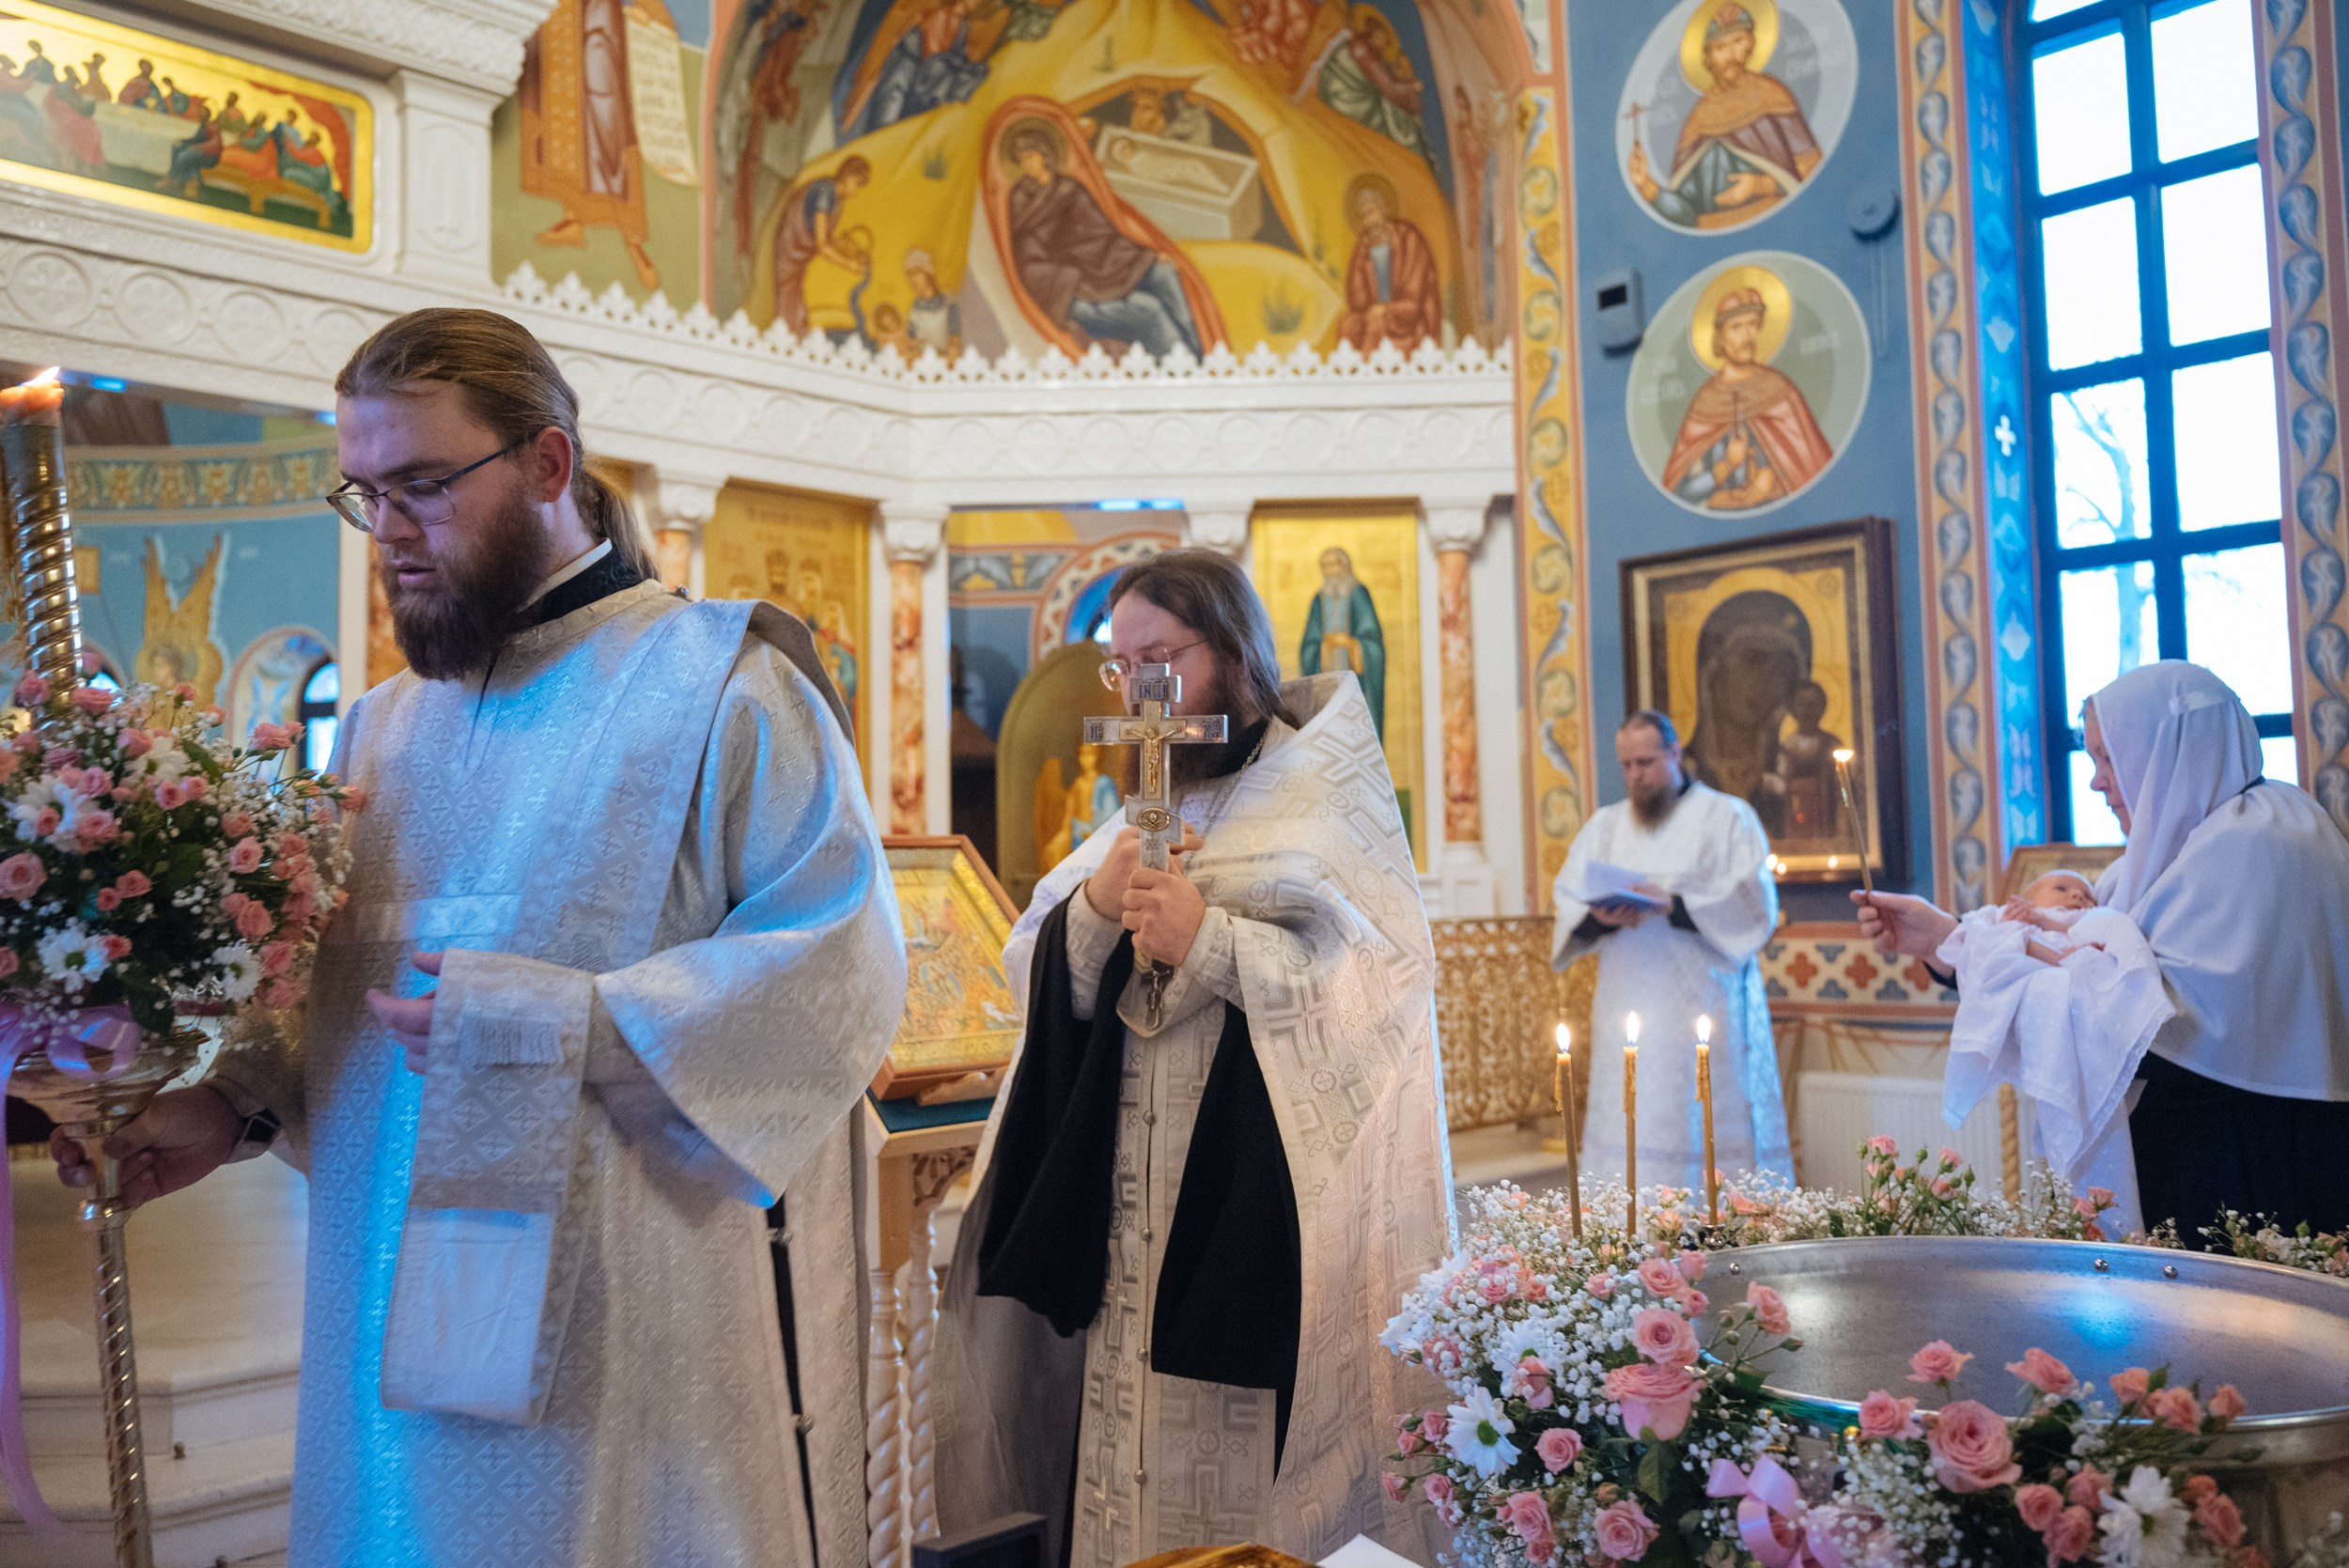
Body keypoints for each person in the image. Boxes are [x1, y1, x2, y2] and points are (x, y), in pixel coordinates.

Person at [51, 308, 907, 1566]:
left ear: (547, 463)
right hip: (378, 1324)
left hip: (623, 1341)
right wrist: (229, 1107)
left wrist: (564, 1022)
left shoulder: (725, 682)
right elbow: (333, 997)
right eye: (366, 493)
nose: (390, 530)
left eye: (422, 485)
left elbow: (837, 962)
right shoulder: (380, 728)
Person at [936, 549, 1450, 1568]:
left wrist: (1207, 941)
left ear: (1232, 652)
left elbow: (1374, 988)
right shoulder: (1145, 809)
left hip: (1248, 1216)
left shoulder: (1320, 797)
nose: (1141, 690)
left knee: (1237, 1484)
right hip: (1128, 1210)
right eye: (1122, 665)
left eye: (1161, 659)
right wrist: (1094, 910)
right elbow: (1028, 962)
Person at [1857, 660, 2349, 1236]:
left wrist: (1959, 944)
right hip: (2204, 1155)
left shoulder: (2257, 842)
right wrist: (1945, 941)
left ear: (2168, 749)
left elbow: (2150, 1024)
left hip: (2250, 1163)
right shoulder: (2181, 847)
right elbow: (2081, 959)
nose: (2096, 782)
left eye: (2109, 757)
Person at [1551, 710, 1791, 1191]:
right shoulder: (1604, 827)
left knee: (1698, 1115)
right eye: (1627, 765)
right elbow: (1570, 901)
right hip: (1626, 997)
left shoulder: (1727, 818)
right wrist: (1600, 919)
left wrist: (1675, 904)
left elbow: (1754, 906)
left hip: (1702, 1002)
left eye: (1646, 762)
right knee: (1632, 1113)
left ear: (1675, 752)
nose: (1636, 775)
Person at [1934, 871, 2170, 1238]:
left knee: (2101, 1142)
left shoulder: (2088, 923)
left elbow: (2100, 953)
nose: (2077, 897)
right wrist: (2049, 947)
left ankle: (2107, 1226)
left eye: (2087, 895)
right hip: (2046, 1013)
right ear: (2025, 900)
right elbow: (2002, 949)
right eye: (2061, 888)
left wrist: (2069, 942)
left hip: (2087, 1032)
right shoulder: (2015, 921)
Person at [1003, 124, 1204, 359]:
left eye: (1030, 156)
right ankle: (1181, 365)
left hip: (1096, 271)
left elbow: (1102, 233)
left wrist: (1145, 255)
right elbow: (1028, 262)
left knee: (1163, 272)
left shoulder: (1070, 189)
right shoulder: (1021, 203)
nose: (1026, 164)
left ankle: (1200, 353)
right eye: (1021, 160)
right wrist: (1070, 278)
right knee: (1148, 309)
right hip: (1066, 291)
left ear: (1044, 155)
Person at [1628, 1, 1822, 230]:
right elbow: (1685, 212)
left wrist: (1760, 185)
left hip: (1781, 223)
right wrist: (1645, 184)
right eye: (1720, 47)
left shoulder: (1772, 95)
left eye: (1738, 42)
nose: (1731, 54)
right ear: (1707, 60)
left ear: (1751, 44)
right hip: (1711, 234)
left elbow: (1813, 173)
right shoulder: (1699, 119)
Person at [1661, 285, 1836, 510]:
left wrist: (1773, 476)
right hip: (1720, 522)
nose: (1747, 336)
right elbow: (1681, 492)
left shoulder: (1779, 389)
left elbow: (1811, 467)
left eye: (1753, 324)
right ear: (1720, 337)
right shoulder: (1706, 401)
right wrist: (1727, 465)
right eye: (1736, 327)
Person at [1336, 176, 1441, 354]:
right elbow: (1357, 301)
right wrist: (1362, 257)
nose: (1369, 221)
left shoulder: (1409, 239)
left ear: (1384, 209)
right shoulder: (1364, 247)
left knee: (1376, 324)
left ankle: (1369, 370)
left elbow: (1414, 297)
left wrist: (1386, 309)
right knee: (1347, 325)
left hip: (1408, 316)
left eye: (1372, 211)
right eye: (1363, 216)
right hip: (1375, 314)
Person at [770, 155, 871, 336]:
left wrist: (849, 250)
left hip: (799, 261)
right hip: (790, 254)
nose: (855, 191)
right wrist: (849, 264)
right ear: (847, 175)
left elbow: (826, 236)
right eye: (856, 184)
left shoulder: (836, 201)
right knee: (789, 311)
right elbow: (822, 245)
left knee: (797, 311)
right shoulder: (825, 192)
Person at [1298, 544, 1387, 738]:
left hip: (1357, 686)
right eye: (1325, 567)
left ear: (1344, 566)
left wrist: (1352, 644)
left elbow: (1372, 640)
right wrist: (1323, 647)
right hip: (1327, 687)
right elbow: (1309, 646)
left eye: (1333, 565)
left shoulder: (1359, 595)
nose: (1329, 571)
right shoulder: (1318, 600)